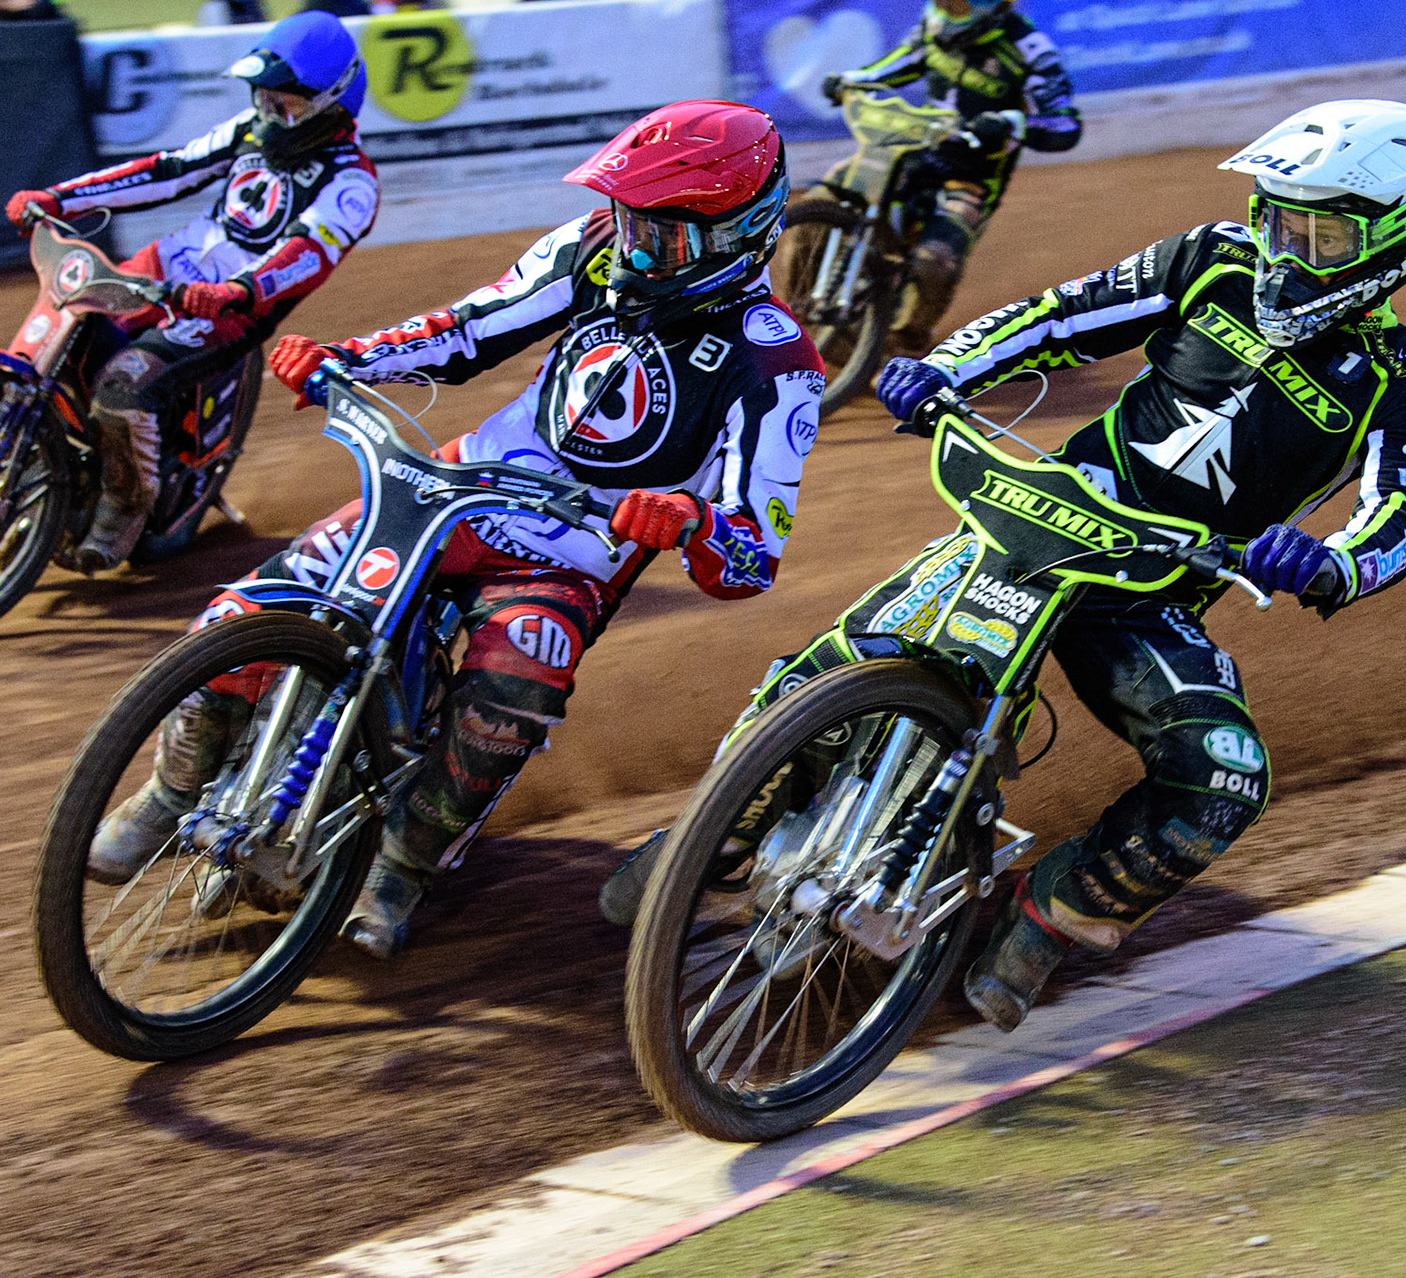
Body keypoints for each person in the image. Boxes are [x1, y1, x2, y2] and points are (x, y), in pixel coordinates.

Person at [744, 99, 1406, 1029]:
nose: (1290, 247)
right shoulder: (1212, 258)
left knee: (1224, 775)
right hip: (1043, 516)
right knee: (845, 659)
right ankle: (725, 820)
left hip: (1155, 586)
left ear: (1392, 239)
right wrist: (951, 366)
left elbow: (1398, 517)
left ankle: (1047, 919)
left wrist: (1329, 566)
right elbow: (1062, 315)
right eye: (1279, 217)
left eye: (1321, 231)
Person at [88, 101, 825, 959]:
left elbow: (751, 551)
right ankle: (169, 793)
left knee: (515, 682)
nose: (633, 243)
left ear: (739, 232)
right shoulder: (592, 246)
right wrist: (347, 356)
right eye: (628, 216)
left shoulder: (776, 363)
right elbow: (468, 328)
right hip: (452, 488)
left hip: (569, 556)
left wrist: (690, 518)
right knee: (250, 612)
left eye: (661, 231)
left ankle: (400, 865)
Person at [4, 11, 375, 573]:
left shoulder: (352, 182)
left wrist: (237, 289)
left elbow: (304, 255)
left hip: (226, 309)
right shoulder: (247, 131)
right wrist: (60, 199)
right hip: (159, 272)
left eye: (287, 103)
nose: (270, 113)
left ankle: (124, 509)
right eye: (264, 98)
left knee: (124, 386)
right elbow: (165, 170)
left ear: (332, 101)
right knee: (64, 340)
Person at [815, 0, 1080, 357]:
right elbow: (902, 62)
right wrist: (850, 80)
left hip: (970, 178)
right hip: (912, 153)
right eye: (943, 3)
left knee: (935, 259)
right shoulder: (932, 24)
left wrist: (1010, 123)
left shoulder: (1030, 50)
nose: (945, 12)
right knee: (824, 201)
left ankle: (907, 344)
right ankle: (805, 306)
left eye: (956, 6)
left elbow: (1064, 124)